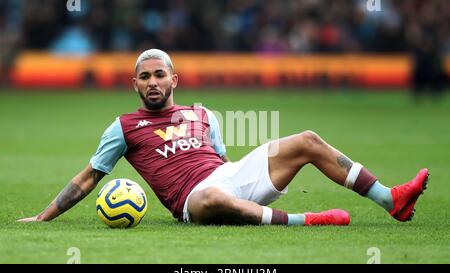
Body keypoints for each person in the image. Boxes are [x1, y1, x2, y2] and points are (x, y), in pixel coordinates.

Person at [18, 49, 429, 226]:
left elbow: (222, 163)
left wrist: (237, 178)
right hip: (194, 201)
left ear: (173, 79)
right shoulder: (123, 126)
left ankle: (390, 199)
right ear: (135, 85)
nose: (153, 82)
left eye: (160, 74)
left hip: (231, 176)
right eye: (144, 77)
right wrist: (43, 216)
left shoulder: (203, 114)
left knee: (306, 138)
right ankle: (310, 221)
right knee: (210, 198)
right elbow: (89, 176)